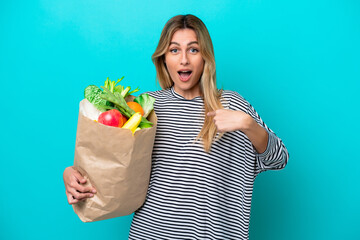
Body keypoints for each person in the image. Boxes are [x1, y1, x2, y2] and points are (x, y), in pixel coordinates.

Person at [63, 14, 289, 239]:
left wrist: (248, 124)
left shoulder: (230, 103)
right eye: (174, 50)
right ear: (163, 59)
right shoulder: (145, 107)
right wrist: (71, 174)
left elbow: (278, 159)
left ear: (205, 57)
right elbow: (111, 163)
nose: (184, 60)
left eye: (193, 49)